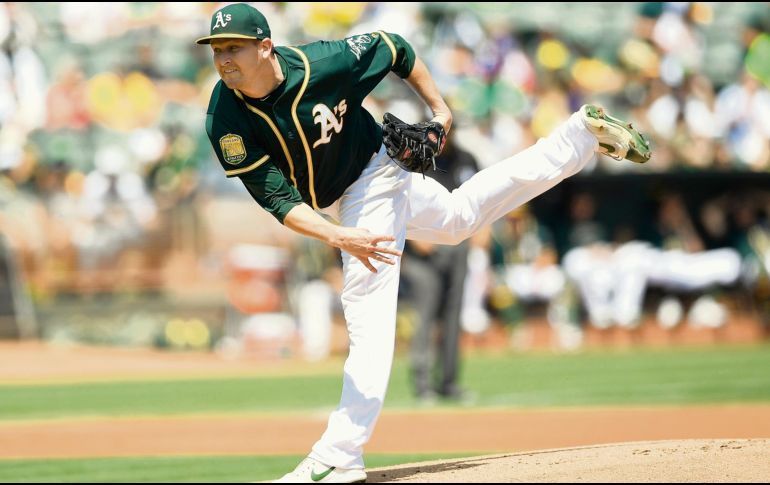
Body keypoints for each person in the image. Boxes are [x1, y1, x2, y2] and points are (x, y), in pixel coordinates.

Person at [196, 4, 651, 482]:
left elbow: (395, 47)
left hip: (373, 173)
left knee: (366, 306)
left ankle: (340, 454)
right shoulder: (225, 116)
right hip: (344, 199)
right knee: (458, 219)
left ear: (265, 46)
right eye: (217, 50)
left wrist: (440, 108)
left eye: (234, 48)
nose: (223, 59)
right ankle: (576, 138)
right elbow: (277, 198)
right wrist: (338, 234)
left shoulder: (322, 62)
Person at [399, 136, 479, 403]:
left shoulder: (465, 158)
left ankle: (448, 381)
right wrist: (414, 237)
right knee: (426, 316)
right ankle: (422, 384)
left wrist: (483, 231)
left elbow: (478, 196)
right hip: (424, 250)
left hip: (458, 246)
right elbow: (399, 200)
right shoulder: (414, 159)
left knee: (453, 317)